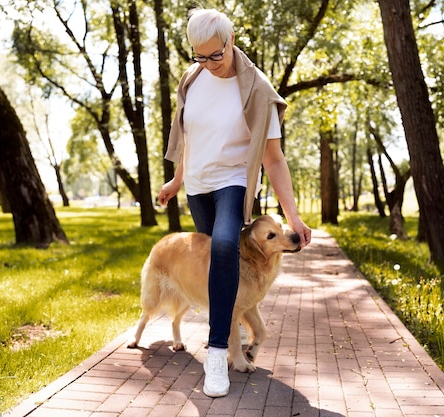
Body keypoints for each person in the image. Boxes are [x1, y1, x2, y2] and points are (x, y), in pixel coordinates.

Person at [157, 8, 311, 398]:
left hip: (233, 183)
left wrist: (292, 217)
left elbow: (274, 159)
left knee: (225, 247)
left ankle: (217, 353)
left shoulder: (256, 89)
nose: (207, 64)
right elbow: (190, 138)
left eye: (215, 55)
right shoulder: (192, 80)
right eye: (199, 56)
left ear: (231, 42)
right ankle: (227, 340)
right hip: (197, 186)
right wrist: (177, 181)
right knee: (215, 264)